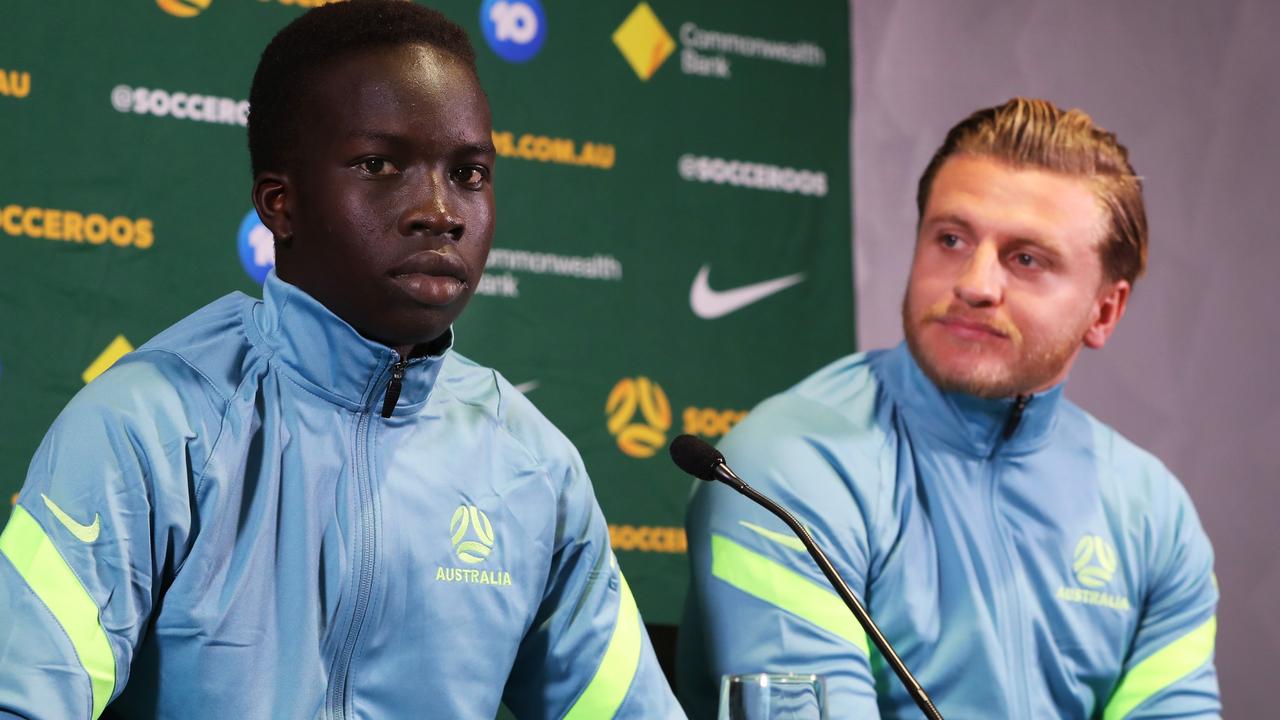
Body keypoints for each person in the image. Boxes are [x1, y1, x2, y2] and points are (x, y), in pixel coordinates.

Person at [0, 2, 683, 718]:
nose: (439, 210)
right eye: (380, 164)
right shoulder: (148, 427)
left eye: (469, 173)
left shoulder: (532, 464)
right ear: (279, 205)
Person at [678, 98, 1220, 719]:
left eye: (1026, 258)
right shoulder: (784, 468)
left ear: (1104, 311)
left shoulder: (1153, 512)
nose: (975, 284)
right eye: (952, 239)